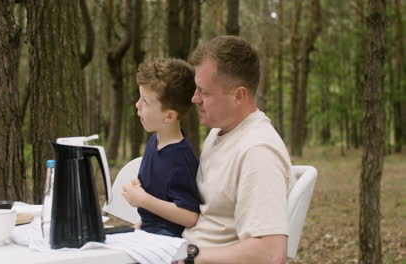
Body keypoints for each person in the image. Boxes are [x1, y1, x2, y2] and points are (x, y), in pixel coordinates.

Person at [181, 35, 296, 264]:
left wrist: (190, 256)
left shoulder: (258, 151)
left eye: (204, 92)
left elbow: (270, 253)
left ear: (238, 95)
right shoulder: (217, 135)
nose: (195, 99)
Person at [122, 58, 200, 238]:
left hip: (167, 247)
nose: (137, 105)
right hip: (147, 234)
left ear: (169, 116)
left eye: (145, 102)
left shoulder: (180, 159)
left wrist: (143, 200)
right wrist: (143, 221)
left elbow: (190, 216)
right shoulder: (154, 142)